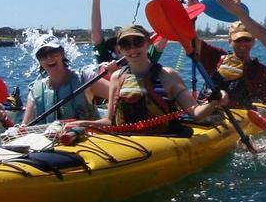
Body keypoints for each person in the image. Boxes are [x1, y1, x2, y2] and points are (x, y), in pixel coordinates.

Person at [97, 24, 227, 132]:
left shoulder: (168, 75)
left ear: (148, 44)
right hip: (128, 142)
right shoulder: (116, 76)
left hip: (163, 140)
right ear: (120, 49)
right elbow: (109, 121)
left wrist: (216, 100)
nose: (132, 49)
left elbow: (196, 114)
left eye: (137, 42)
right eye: (126, 45)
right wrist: (81, 124)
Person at [193, 21, 266, 110]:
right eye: (238, 40)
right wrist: (192, 19)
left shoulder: (261, 70)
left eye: (247, 39)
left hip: (248, 119)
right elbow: (192, 41)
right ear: (230, 41)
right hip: (216, 116)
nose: (242, 43)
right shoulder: (216, 57)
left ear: (253, 41)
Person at [21, 37, 100, 124]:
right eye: (43, 55)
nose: (49, 58)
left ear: (62, 53)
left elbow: (116, 94)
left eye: (53, 52)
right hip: (50, 136)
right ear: (39, 60)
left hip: (88, 135)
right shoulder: (35, 91)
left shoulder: (86, 78)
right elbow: (25, 126)